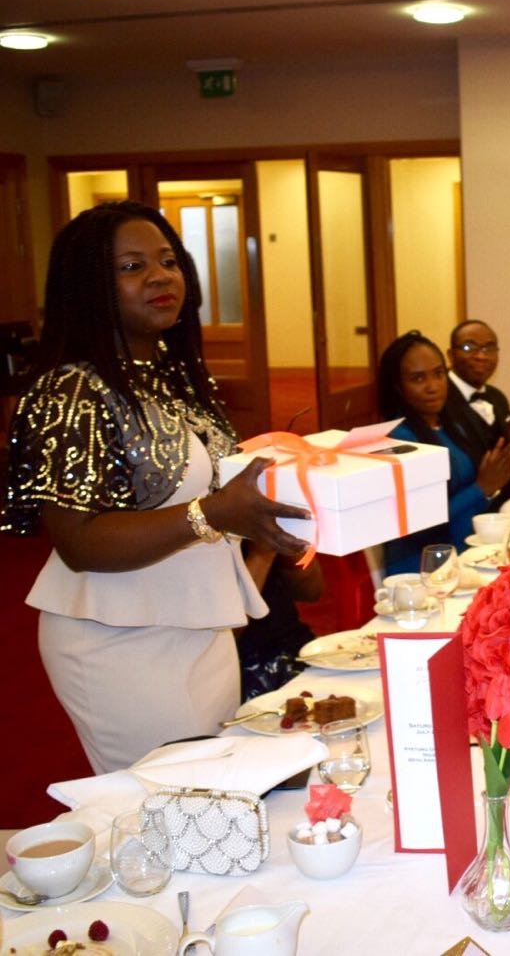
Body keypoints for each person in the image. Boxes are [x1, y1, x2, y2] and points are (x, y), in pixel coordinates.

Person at [2, 201, 312, 774]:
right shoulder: (71, 390)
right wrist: (212, 513)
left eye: (168, 261)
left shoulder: (174, 375)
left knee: (216, 790)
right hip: (119, 640)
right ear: (88, 286)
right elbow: (78, 540)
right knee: (173, 799)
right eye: (131, 266)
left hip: (200, 622)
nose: (159, 276)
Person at [377, 331, 510, 574]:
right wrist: (482, 488)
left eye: (438, 374)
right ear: (397, 387)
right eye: (418, 378)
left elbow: (478, 486)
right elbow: (420, 524)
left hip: (468, 551)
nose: (433, 386)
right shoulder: (398, 440)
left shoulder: (453, 424)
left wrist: (504, 466)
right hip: (425, 566)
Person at [445, 319, 510, 501]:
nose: (481, 356)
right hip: (468, 507)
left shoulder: (497, 397)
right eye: (469, 347)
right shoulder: (439, 399)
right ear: (451, 355)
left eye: (489, 348)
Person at [236, 544, 324, 701]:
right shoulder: (200, 543)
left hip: (296, 647)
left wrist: (291, 546)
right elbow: (226, 631)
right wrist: (261, 555)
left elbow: (312, 592)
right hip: (245, 672)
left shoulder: (253, 533)